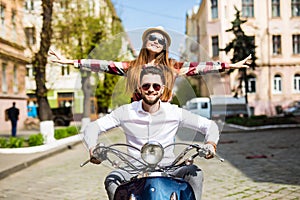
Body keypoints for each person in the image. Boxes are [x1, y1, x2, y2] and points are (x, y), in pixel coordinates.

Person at [83, 66, 219, 200]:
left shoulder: (174, 112)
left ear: (162, 90)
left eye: (156, 86)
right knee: (112, 179)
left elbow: (209, 126)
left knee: (195, 173)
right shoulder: (126, 112)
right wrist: (93, 148)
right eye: (146, 86)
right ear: (140, 88)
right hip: (133, 169)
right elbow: (92, 128)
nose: (151, 90)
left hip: (169, 168)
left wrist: (210, 144)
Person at [49, 26, 252, 102]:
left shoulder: (173, 66)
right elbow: (102, 64)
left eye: (161, 40)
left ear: (164, 46)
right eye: (152, 38)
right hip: (137, 116)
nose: (156, 41)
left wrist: (230, 66)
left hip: (163, 116)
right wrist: (70, 61)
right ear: (145, 41)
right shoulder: (132, 67)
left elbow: (202, 67)